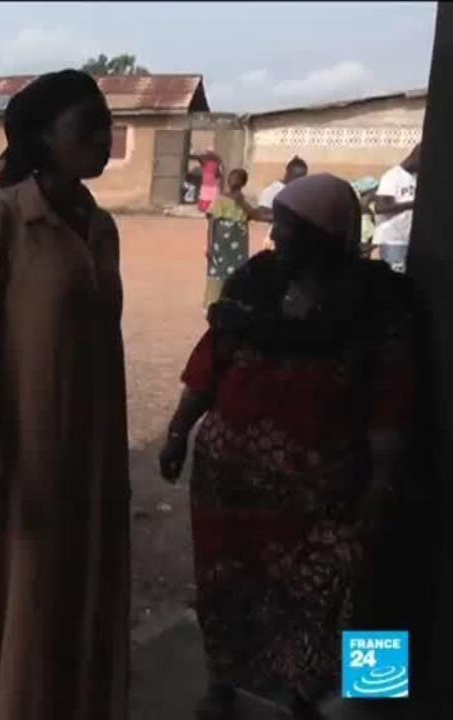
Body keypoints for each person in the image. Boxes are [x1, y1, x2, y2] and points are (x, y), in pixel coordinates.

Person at [159, 174, 414, 719]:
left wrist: (380, 487)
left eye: (287, 229)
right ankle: (223, 685)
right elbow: (211, 361)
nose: (273, 238)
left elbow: (390, 400)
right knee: (227, 589)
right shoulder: (255, 285)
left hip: (326, 491)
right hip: (230, 487)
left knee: (343, 593)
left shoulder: (377, 304)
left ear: (324, 235)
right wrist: (179, 432)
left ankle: (322, 698)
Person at [0, 70, 130, 719]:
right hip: (13, 463)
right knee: (13, 606)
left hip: (85, 463)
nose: (103, 138)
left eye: (107, 124)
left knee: (72, 602)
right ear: (43, 137)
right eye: (87, 126)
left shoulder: (99, 228)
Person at [204, 168, 262, 307]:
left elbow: (255, 215)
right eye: (231, 177)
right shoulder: (220, 200)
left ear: (243, 183)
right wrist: (210, 246)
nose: (233, 181)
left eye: (237, 178)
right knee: (217, 274)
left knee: (237, 273)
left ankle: (233, 303)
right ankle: (213, 303)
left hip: (238, 248)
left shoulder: (245, 202)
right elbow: (212, 224)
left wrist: (241, 202)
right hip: (220, 246)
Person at [374, 143, 420, 273]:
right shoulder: (393, 176)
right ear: (417, 157)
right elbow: (381, 207)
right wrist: (413, 204)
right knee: (394, 283)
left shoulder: (415, 178)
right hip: (393, 241)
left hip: (408, 239)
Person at [257, 156, 309, 250]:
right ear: (288, 173)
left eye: (302, 177)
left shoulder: (303, 191)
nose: (299, 181)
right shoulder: (273, 190)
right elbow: (261, 214)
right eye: (296, 177)